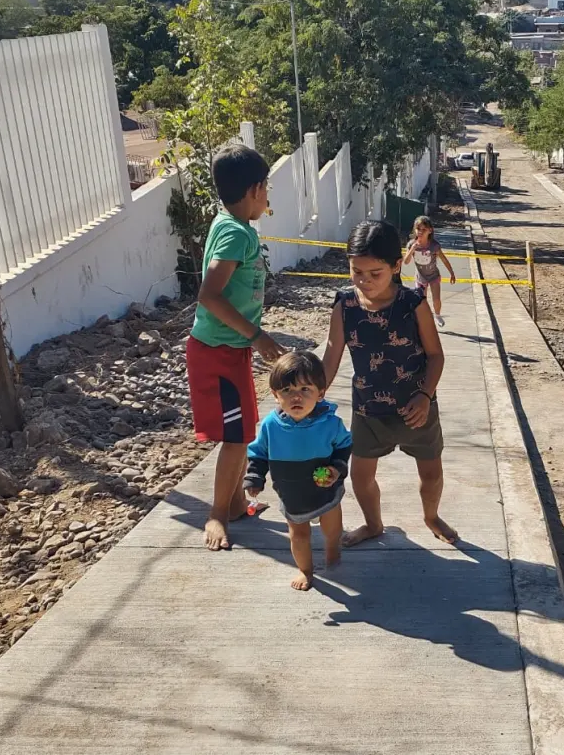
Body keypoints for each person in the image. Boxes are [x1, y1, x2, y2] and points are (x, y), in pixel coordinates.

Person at [323, 220, 457, 547]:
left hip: (418, 410)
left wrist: (425, 395)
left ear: (397, 266)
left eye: (375, 274)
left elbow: (436, 356)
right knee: (361, 477)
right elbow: (330, 358)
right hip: (368, 411)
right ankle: (373, 524)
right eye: (357, 272)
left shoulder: (414, 304)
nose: (364, 281)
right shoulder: (344, 306)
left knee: (431, 475)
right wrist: (310, 398)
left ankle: (431, 516)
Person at [186, 143, 286, 551]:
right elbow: (209, 295)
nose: (268, 197)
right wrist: (256, 335)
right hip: (218, 353)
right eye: (267, 189)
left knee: (243, 429)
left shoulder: (234, 227)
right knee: (236, 436)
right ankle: (216, 514)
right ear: (255, 188)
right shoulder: (233, 231)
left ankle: (233, 504)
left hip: (231, 350)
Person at [244, 351, 352, 591]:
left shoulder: (330, 423)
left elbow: (344, 445)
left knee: (332, 528)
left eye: (305, 390)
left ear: (320, 393)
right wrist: (255, 477)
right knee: (298, 535)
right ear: (275, 395)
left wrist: (336, 469)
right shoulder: (271, 425)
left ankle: (333, 552)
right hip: (292, 492)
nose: (296, 397)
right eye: (287, 391)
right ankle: (305, 570)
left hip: (326, 490)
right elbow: (258, 452)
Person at [403, 215, 456, 328]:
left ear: (430, 230)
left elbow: (444, 259)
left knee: (436, 299)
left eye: (424, 229)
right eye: (418, 229)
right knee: (422, 301)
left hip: (433, 277)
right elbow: (406, 262)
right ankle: (423, 319)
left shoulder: (434, 246)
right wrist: (412, 249)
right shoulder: (412, 245)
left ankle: (437, 315)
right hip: (420, 278)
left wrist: (452, 273)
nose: (420, 232)